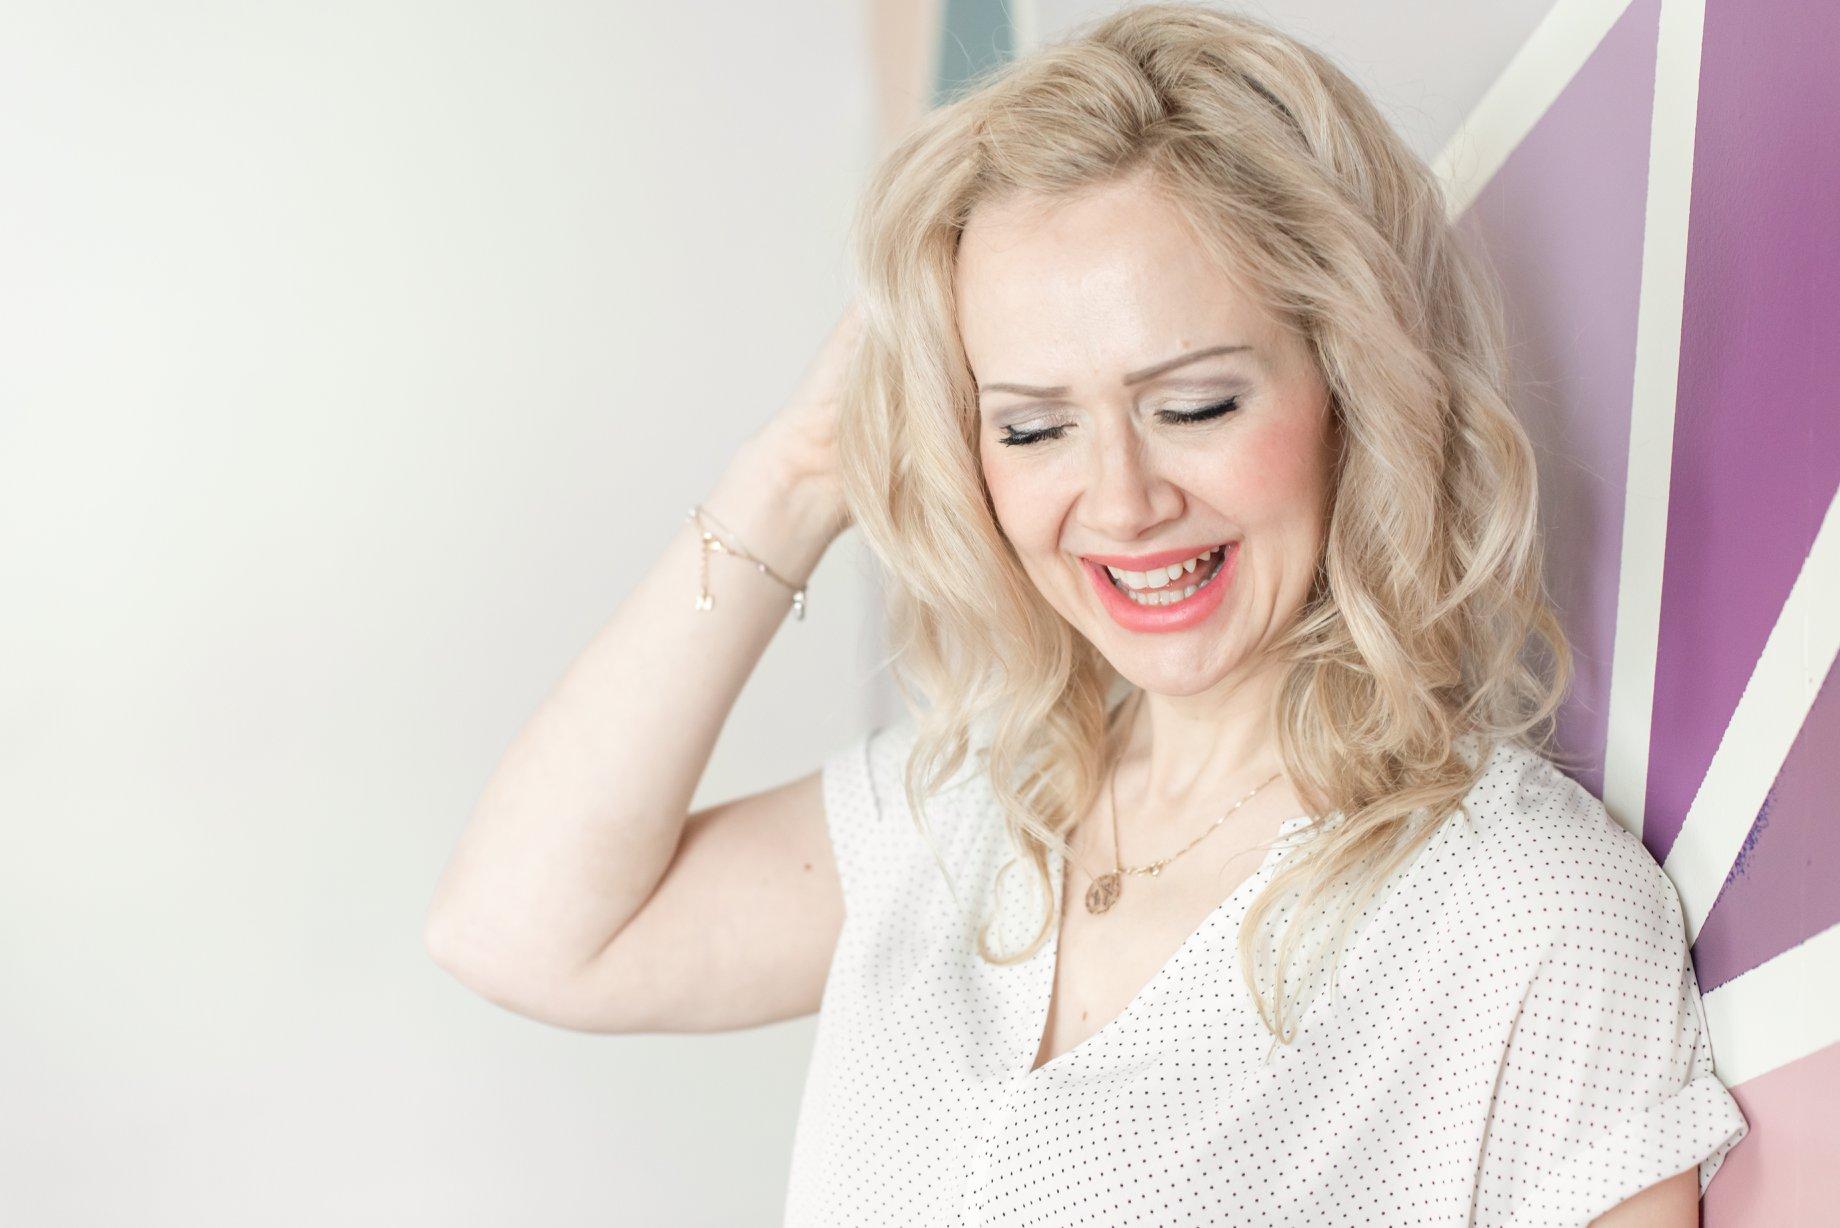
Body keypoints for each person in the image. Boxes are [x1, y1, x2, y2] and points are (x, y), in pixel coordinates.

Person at [424, 4, 1749, 1224]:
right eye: (1035, 425)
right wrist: (794, 475)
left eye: (1196, 405)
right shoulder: (961, 808)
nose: (1120, 500)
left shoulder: (1530, 919)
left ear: (1355, 388)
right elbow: (523, 928)